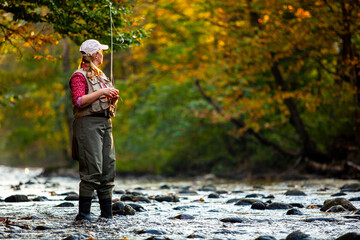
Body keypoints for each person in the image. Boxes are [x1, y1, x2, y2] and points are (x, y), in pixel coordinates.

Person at [69, 39, 119, 222]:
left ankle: (107, 215)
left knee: (108, 169)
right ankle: (84, 215)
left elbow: (101, 100)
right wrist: (102, 93)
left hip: (105, 124)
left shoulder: (100, 76)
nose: (103, 54)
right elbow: (79, 101)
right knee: (92, 169)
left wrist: (112, 98)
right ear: (95, 54)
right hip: (87, 124)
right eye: (100, 51)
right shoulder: (79, 76)